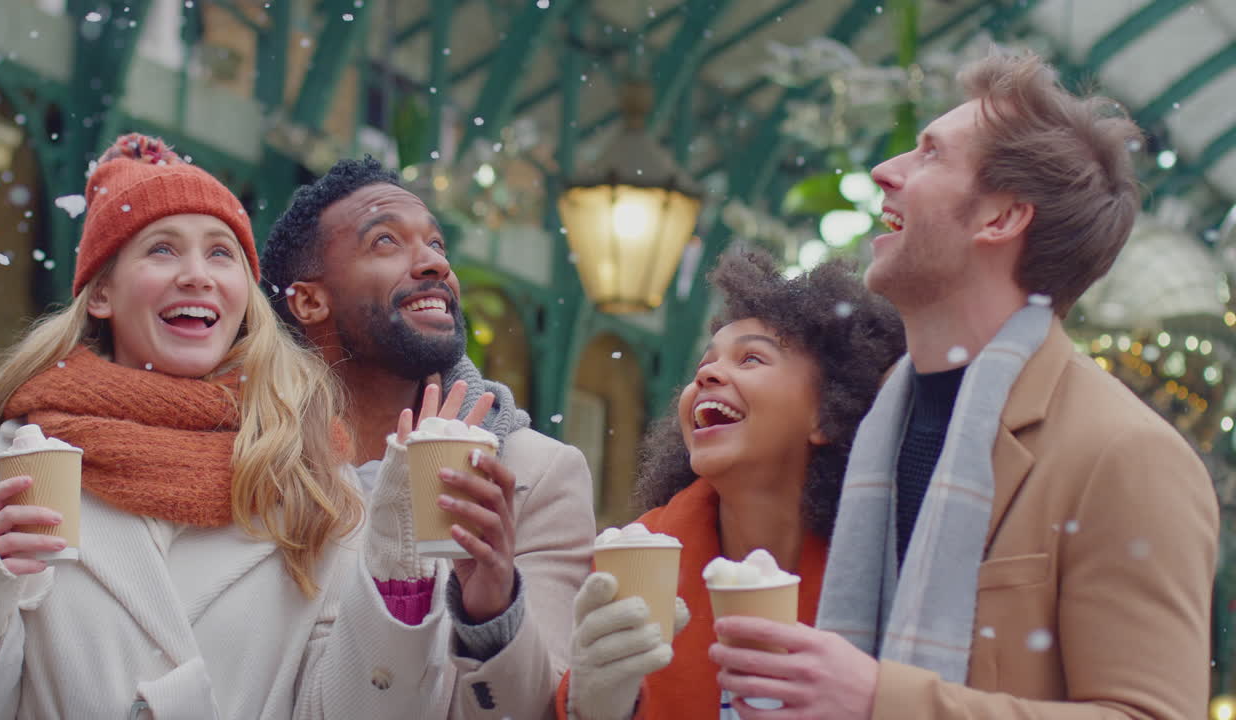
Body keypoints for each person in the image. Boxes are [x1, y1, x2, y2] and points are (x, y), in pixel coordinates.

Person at [708, 52, 1219, 720]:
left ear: (1001, 218)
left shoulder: (1127, 455)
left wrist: (876, 700)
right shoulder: (873, 421)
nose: (884, 172)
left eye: (927, 156)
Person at [0, 133, 508, 718]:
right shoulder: (2, 465)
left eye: (222, 253)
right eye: (162, 250)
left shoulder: (309, 473)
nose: (198, 275)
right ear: (100, 294)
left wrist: (397, 560)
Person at [261, 157, 595, 720]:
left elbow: (544, 708)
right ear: (310, 301)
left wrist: (493, 610)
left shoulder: (538, 476)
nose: (434, 263)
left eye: (437, 243)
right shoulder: (246, 466)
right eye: (386, 241)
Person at [554, 251, 905, 720]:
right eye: (706, 362)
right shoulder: (637, 557)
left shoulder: (896, 561)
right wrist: (593, 708)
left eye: (752, 358)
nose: (707, 374)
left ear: (828, 412)